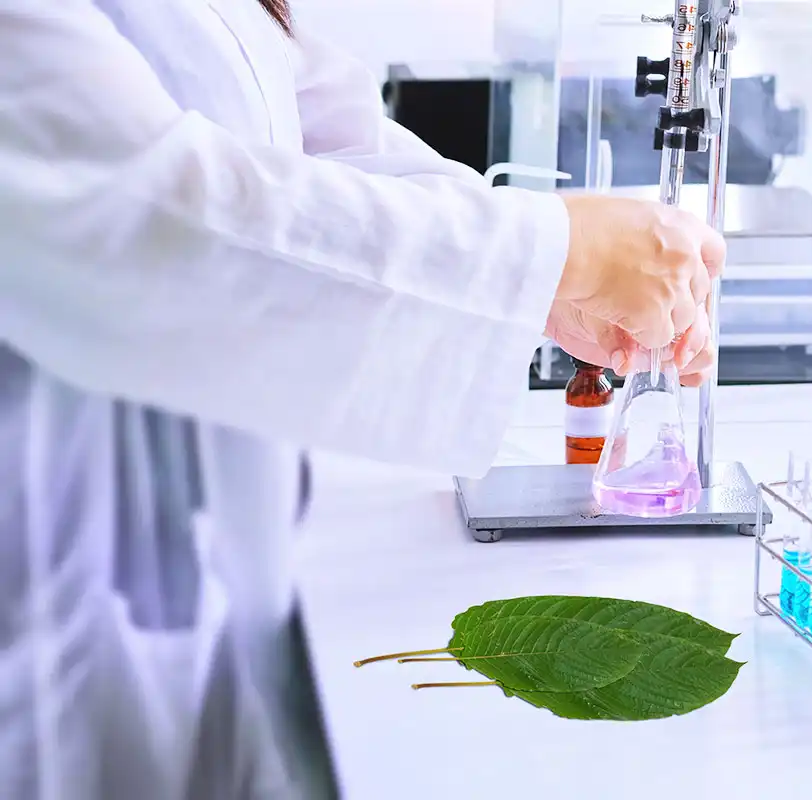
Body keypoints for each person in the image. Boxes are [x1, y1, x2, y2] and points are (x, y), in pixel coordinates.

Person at [0, 1, 724, 797]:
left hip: (222, 589)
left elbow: (328, 138)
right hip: (51, 618)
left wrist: (542, 284)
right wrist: (552, 251)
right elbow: (135, 206)